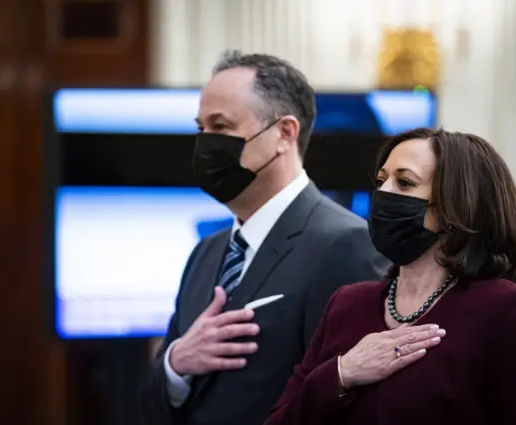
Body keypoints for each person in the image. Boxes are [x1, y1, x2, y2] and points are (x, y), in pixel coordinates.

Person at [139, 51, 389, 425]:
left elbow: (356, 399)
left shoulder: (346, 245)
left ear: (284, 134)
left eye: (220, 127)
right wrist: (177, 363)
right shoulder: (205, 254)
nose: (205, 144)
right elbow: (151, 404)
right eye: (200, 129)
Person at [264, 128, 516, 425]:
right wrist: (344, 371)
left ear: (455, 205)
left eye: (404, 182)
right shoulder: (346, 304)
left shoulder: (501, 310)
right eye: (381, 181)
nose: (384, 193)